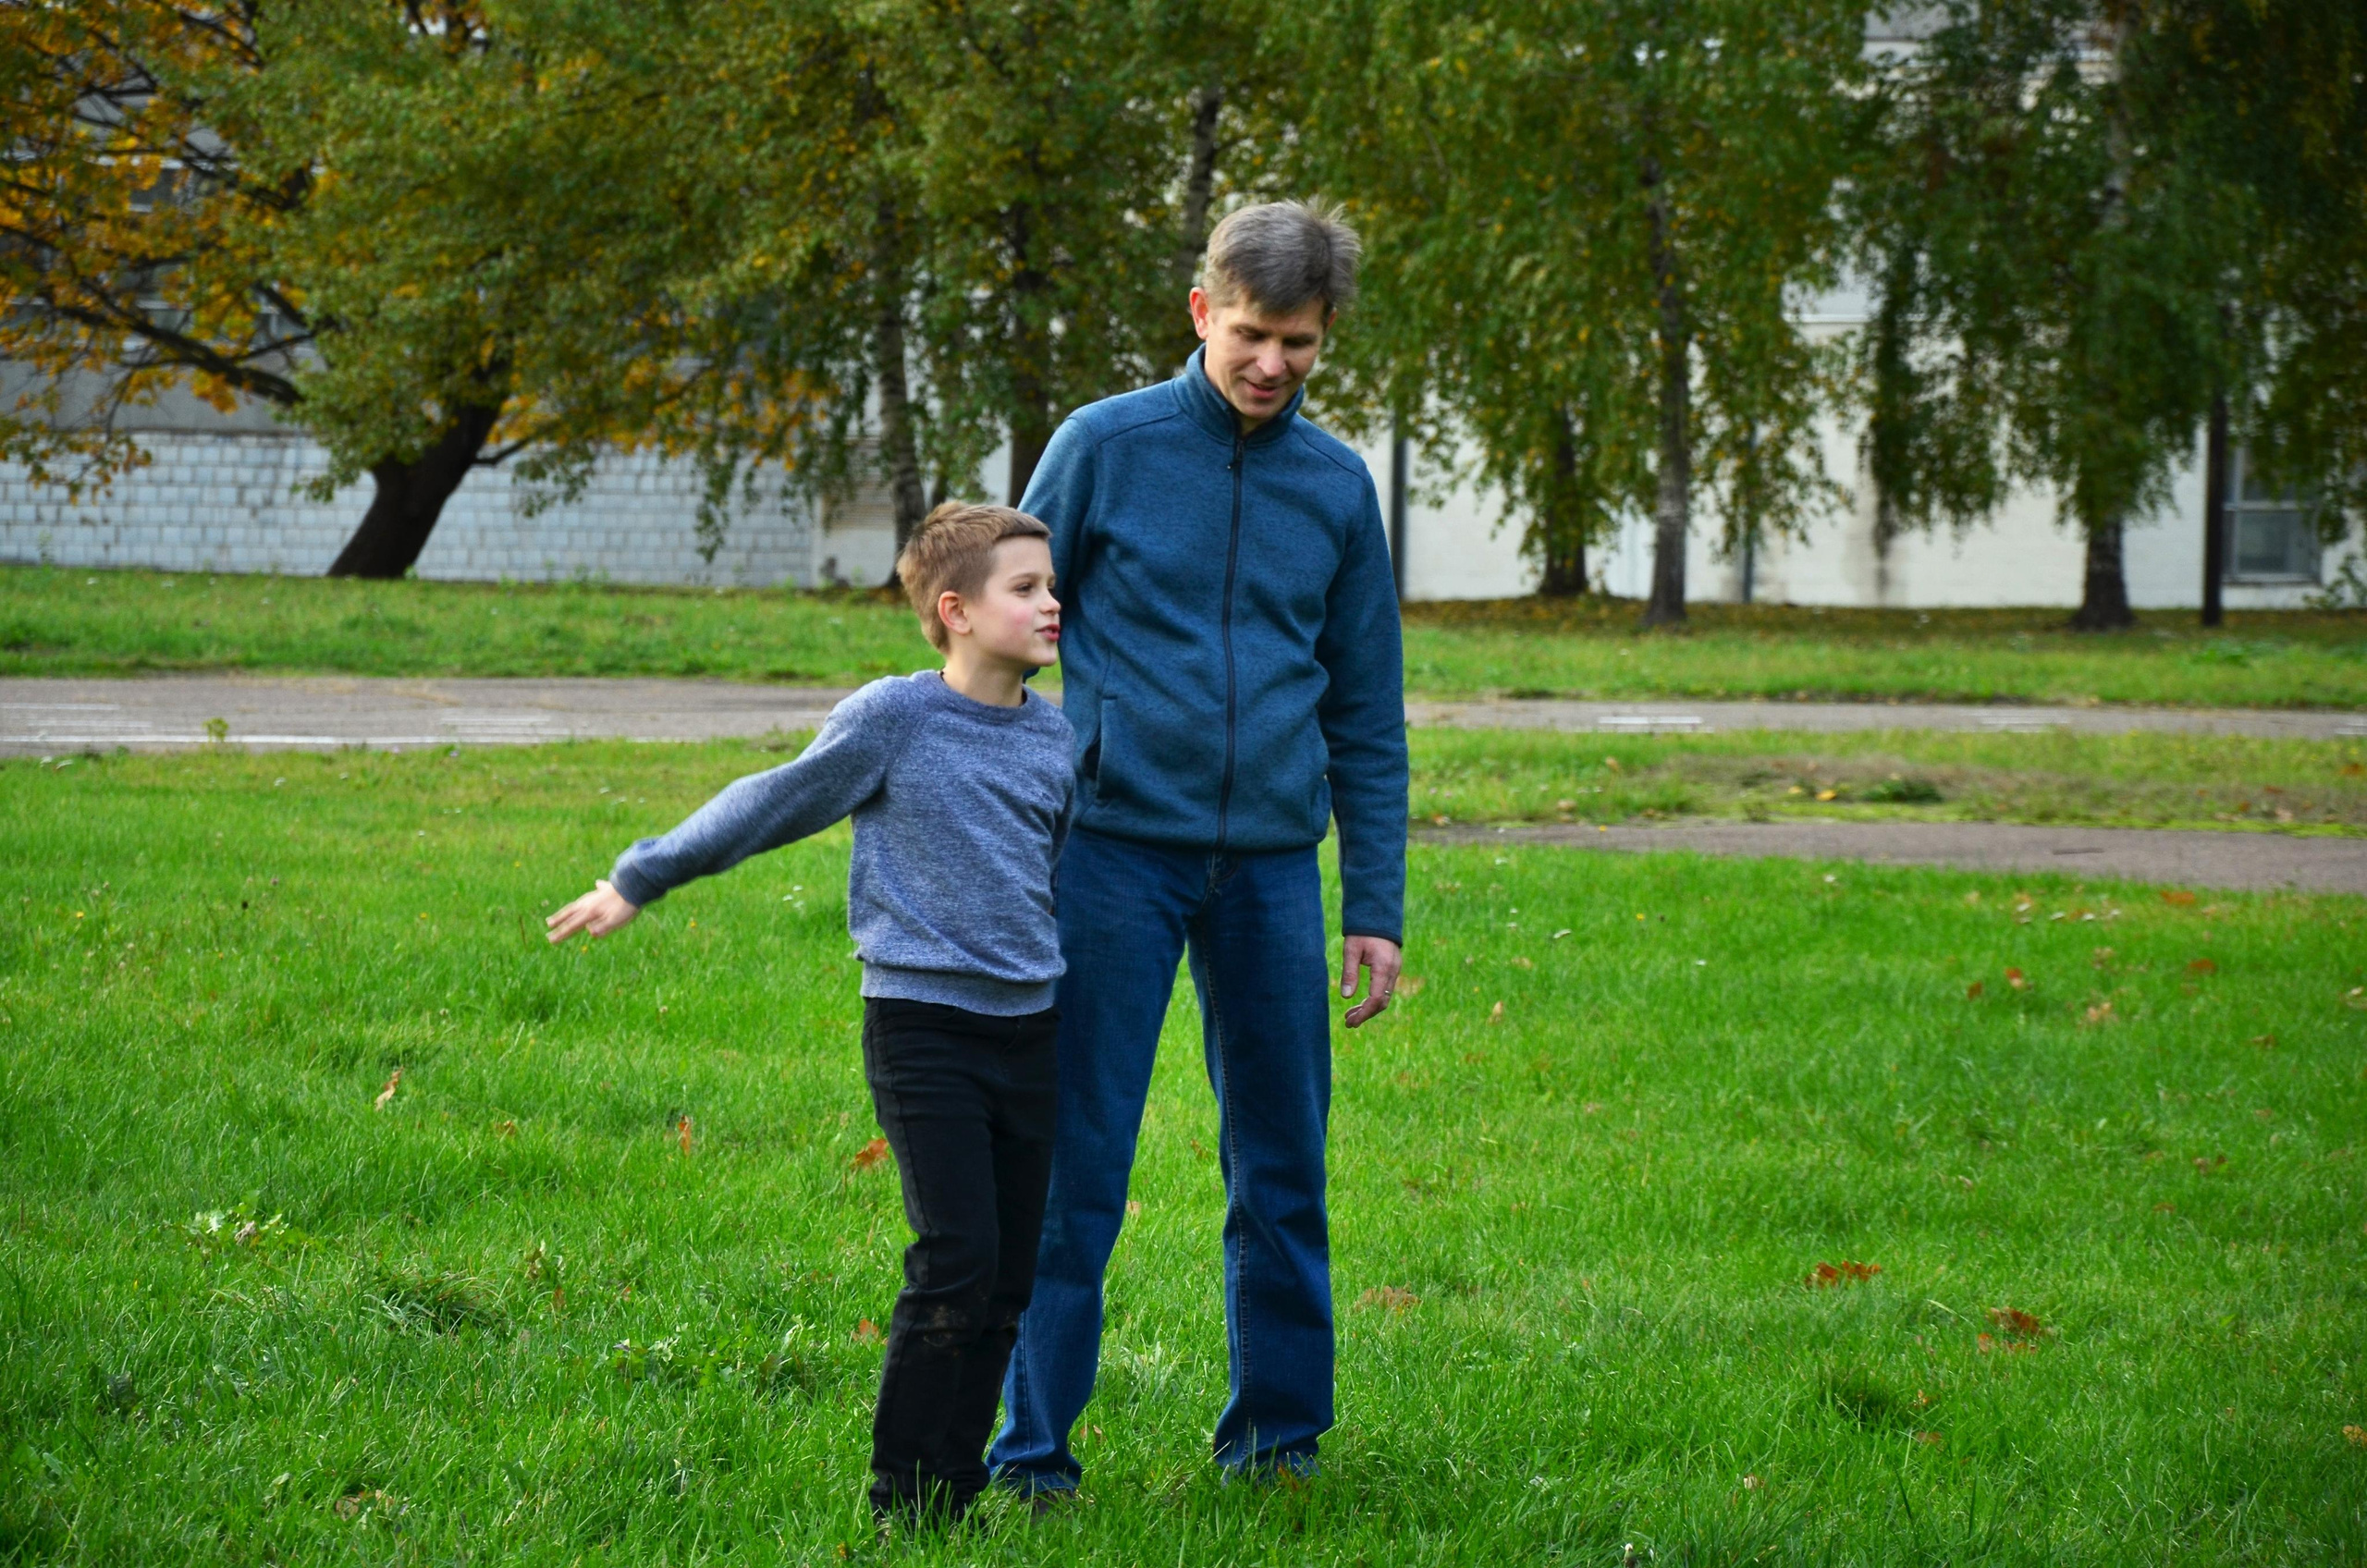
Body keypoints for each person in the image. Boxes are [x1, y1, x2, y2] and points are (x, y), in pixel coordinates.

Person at [990, 199, 1408, 1496]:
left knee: (1281, 1164)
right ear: (1200, 315)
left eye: (1299, 342)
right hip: (1111, 857)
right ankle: (1030, 1454)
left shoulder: (1338, 485)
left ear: (1326, 335)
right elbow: (1002, 624)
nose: (1271, 364)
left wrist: (1373, 904)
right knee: (1076, 1163)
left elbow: (1365, 708)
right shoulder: (1102, 449)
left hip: (1274, 873)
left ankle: (1278, 1445)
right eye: (1250, 334)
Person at [545, 503, 1073, 1525]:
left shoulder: (1052, 735)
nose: (1052, 604)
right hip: (924, 1028)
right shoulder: (894, 718)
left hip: (1031, 1032)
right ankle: (903, 1499)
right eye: (1027, 588)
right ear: (956, 610)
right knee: (955, 1257)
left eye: (1051, 586)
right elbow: (774, 797)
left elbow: (1044, 878)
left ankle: (956, 1489)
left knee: (1007, 1274)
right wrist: (642, 875)